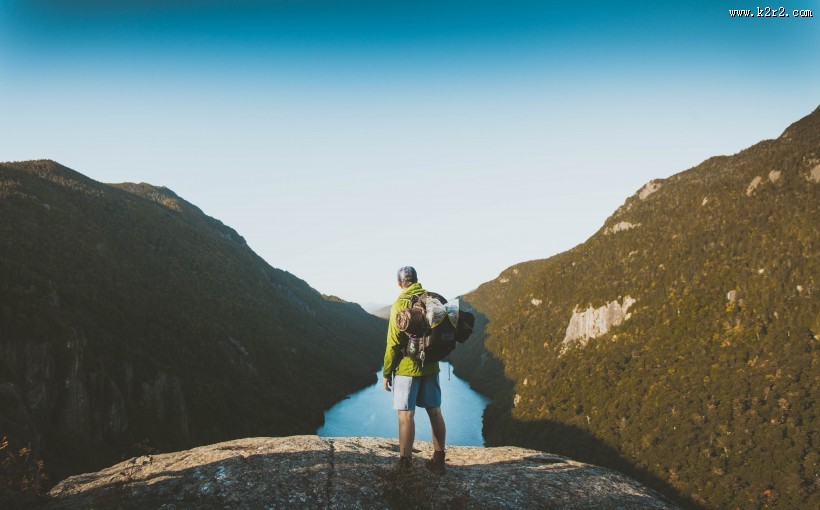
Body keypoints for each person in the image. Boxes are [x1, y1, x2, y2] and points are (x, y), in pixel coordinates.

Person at [382, 266, 447, 474]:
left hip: (407, 368)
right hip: (431, 365)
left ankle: (406, 464)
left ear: (399, 283)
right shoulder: (431, 299)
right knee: (435, 411)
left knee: (406, 416)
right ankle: (439, 459)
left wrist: (386, 372)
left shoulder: (399, 304)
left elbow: (392, 344)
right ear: (417, 280)